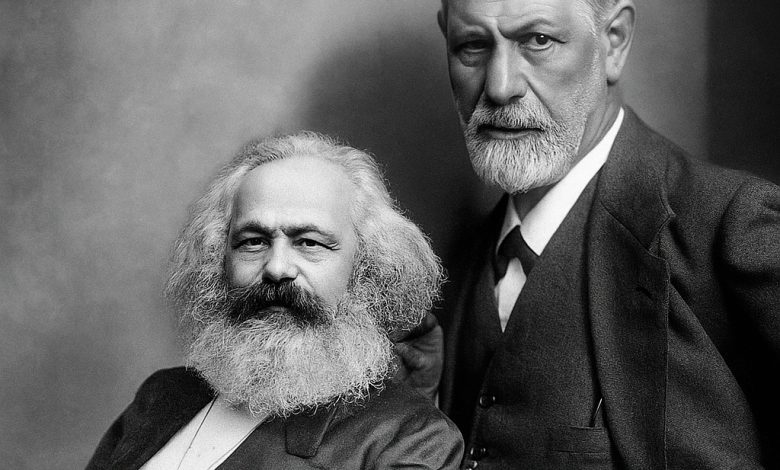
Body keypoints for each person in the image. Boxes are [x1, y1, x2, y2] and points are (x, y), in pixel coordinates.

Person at [424, 0, 780, 468]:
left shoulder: (732, 226)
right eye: (472, 45)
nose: (500, 86)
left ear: (614, 42)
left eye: (538, 41)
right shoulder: (450, 261)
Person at [86, 133, 464, 469]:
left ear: (366, 265)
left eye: (309, 243)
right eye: (253, 241)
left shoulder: (409, 439)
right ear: (219, 260)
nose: (277, 267)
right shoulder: (161, 395)